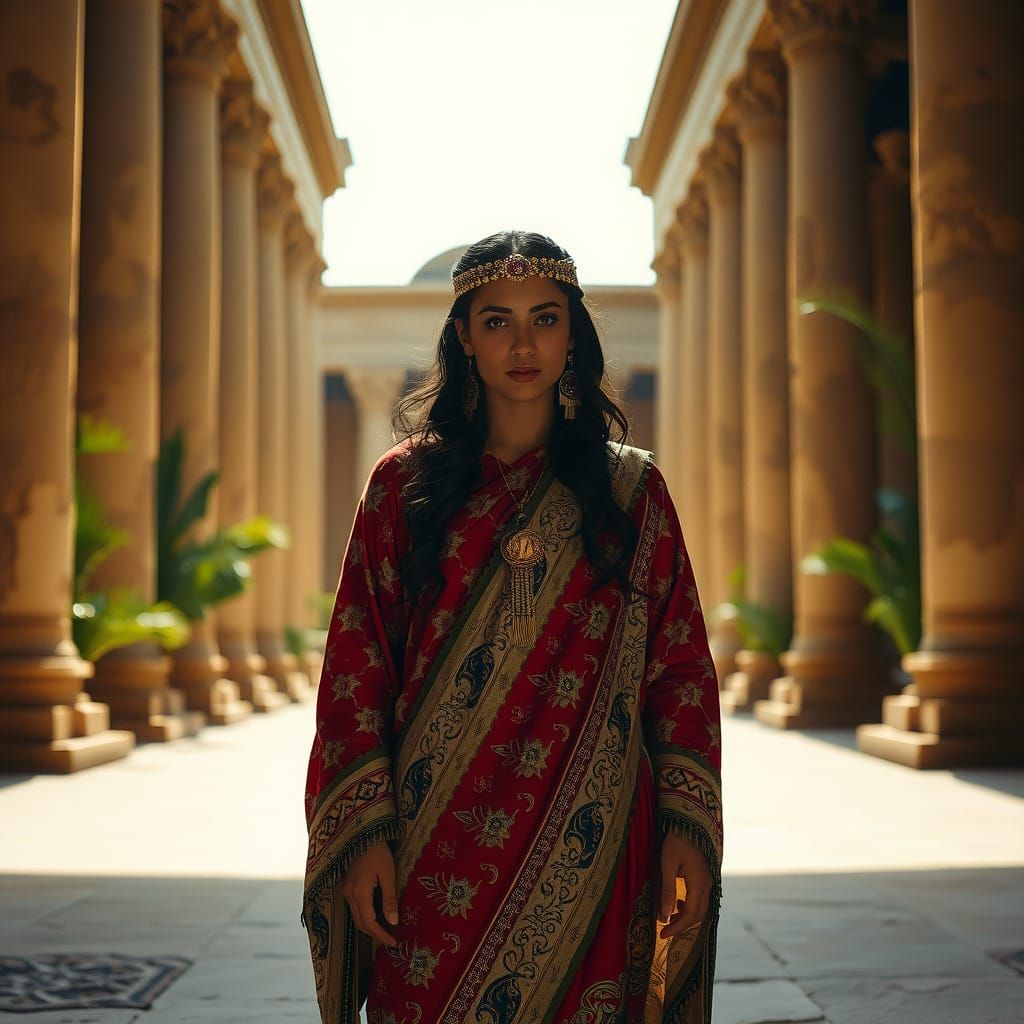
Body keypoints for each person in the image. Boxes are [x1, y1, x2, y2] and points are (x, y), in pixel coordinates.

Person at [302, 231, 723, 1024]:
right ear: (463, 336)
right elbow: (359, 662)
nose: (523, 343)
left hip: (595, 843)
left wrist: (686, 826)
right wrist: (363, 837)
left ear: (574, 335)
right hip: (433, 841)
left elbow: (682, 669)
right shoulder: (404, 487)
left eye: (546, 318)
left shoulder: (632, 490)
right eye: (497, 321)